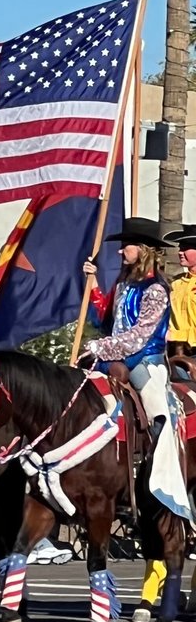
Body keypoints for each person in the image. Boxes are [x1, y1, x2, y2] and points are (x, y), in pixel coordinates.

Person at [82, 217, 190, 522]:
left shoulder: (156, 288)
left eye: (125, 246)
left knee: (158, 411)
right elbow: (106, 320)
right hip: (113, 358)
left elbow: (138, 336)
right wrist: (92, 285)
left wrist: (98, 348)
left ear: (141, 249)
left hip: (146, 362)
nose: (119, 252)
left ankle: (161, 474)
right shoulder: (124, 283)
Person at [167, 224, 196, 358]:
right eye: (179, 247)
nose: (179, 252)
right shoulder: (176, 283)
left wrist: (177, 335)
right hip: (175, 351)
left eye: (185, 247)